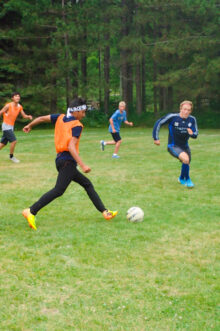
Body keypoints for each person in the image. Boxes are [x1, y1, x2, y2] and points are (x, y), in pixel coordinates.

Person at [22, 97, 118, 230]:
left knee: (87, 184)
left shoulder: (59, 118)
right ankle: (31, 211)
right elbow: (71, 146)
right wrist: (83, 165)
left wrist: (29, 125)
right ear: (76, 111)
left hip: (60, 160)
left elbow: (41, 119)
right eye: (83, 112)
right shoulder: (77, 125)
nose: (84, 115)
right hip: (68, 162)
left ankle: (105, 212)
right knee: (59, 190)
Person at [152, 100, 198, 188]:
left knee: (187, 163)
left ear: (190, 111)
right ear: (180, 109)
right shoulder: (172, 117)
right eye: (184, 109)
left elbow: (195, 135)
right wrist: (156, 138)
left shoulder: (192, 119)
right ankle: (188, 180)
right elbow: (159, 122)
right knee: (185, 159)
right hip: (173, 145)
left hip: (185, 146)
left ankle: (181, 178)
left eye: (188, 110)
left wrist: (192, 134)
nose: (186, 111)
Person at [0, 92, 33, 163]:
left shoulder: (19, 107)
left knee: (3, 144)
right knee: (14, 141)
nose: (17, 97)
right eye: (16, 96)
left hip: (11, 127)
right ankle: (11, 157)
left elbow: (24, 116)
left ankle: (11, 156)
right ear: (12, 98)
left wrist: (28, 116)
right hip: (6, 126)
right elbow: (0, 112)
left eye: (18, 96)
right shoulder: (8, 106)